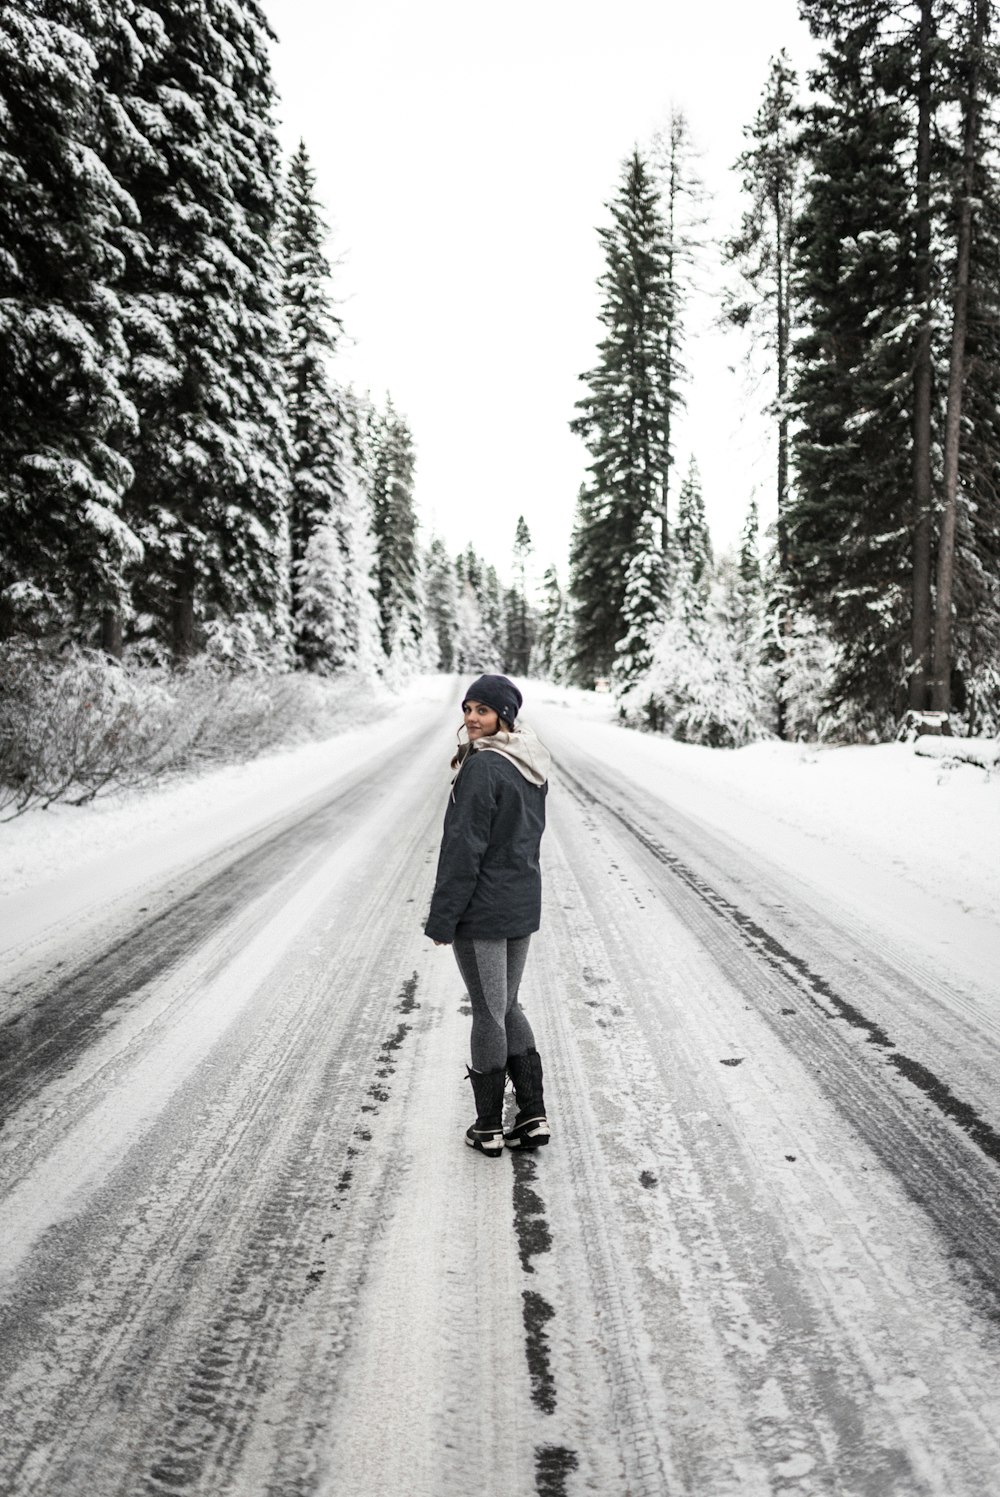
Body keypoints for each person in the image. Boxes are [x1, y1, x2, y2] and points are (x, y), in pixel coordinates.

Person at [425, 674, 552, 1158]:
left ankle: (488, 1126)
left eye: (483, 710)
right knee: (508, 1006)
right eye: (468, 709)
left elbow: (463, 851)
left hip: (484, 910)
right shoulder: (530, 762)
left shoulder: (483, 769)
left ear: (505, 715)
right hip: (520, 903)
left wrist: (443, 919)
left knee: (488, 1012)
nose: (472, 718)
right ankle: (532, 1115)